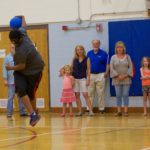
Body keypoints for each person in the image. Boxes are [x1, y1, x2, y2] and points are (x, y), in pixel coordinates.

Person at [6, 16, 44, 126]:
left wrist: (10, 68)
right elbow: (23, 23)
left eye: (16, 42)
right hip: (21, 73)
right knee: (20, 90)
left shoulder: (22, 50)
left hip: (34, 71)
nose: (14, 43)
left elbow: (21, 66)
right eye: (12, 41)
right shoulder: (22, 32)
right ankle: (33, 115)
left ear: (20, 39)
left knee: (31, 94)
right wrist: (21, 16)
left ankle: (34, 111)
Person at [3, 44, 28, 118]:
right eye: (12, 47)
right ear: (10, 48)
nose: (14, 49)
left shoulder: (20, 57)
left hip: (19, 81)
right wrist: (5, 79)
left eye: (15, 47)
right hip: (11, 81)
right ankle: (9, 113)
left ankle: (22, 112)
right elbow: (4, 69)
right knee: (10, 97)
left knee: (21, 96)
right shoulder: (7, 58)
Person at [110, 41, 133, 116]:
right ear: (116, 49)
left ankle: (125, 111)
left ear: (124, 48)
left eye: (121, 47)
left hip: (126, 78)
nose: (119, 49)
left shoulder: (127, 56)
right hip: (116, 79)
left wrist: (125, 75)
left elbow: (131, 67)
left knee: (125, 94)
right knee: (118, 95)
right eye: (118, 47)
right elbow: (111, 68)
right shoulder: (113, 57)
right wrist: (117, 75)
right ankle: (119, 111)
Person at [87, 39, 109, 113]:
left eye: (97, 43)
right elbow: (87, 65)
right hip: (91, 75)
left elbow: (107, 64)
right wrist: (87, 74)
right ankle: (89, 108)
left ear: (99, 44)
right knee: (90, 93)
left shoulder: (104, 53)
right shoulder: (89, 53)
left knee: (100, 93)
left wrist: (106, 72)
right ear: (92, 44)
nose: (95, 45)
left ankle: (101, 108)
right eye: (94, 43)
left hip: (101, 75)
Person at [71, 45, 94, 116]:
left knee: (85, 95)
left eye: (81, 49)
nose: (79, 51)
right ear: (76, 51)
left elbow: (89, 70)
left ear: (83, 50)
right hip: (75, 79)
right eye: (78, 50)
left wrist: (88, 79)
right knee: (77, 95)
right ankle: (80, 111)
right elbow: (71, 68)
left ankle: (91, 111)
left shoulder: (87, 59)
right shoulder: (74, 59)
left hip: (83, 79)